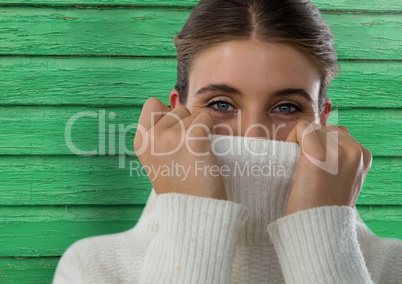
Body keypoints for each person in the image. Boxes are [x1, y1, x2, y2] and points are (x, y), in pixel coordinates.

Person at [53, 0, 402, 283]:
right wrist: (192, 221)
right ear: (178, 113)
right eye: (221, 104)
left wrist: (324, 235)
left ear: (322, 119)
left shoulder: (391, 267)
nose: (253, 136)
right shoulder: (93, 268)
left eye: (286, 107)